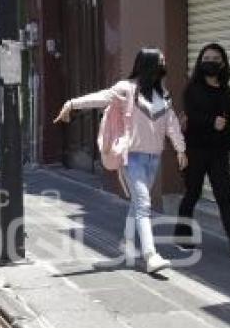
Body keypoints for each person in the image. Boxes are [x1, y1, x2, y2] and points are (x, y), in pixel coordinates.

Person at [54, 48, 188, 274]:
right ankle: (150, 255)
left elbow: (172, 123)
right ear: (148, 65)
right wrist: (72, 103)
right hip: (132, 158)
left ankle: (126, 246)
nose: (164, 65)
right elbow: (100, 97)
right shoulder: (126, 89)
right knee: (144, 204)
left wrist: (180, 149)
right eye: (161, 61)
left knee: (138, 204)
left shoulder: (163, 94)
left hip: (153, 158)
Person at [174, 43, 230, 259]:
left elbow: (229, 122)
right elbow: (191, 116)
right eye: (206, 58)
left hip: (219, 151)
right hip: (195, 149)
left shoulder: (226, 91)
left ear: (222, 64)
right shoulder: (192, 88)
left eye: (215, 59)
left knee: (224, 197)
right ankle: (182, 237)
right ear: (201, 62)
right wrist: (212, 122)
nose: (210, 62)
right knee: (193, 193)